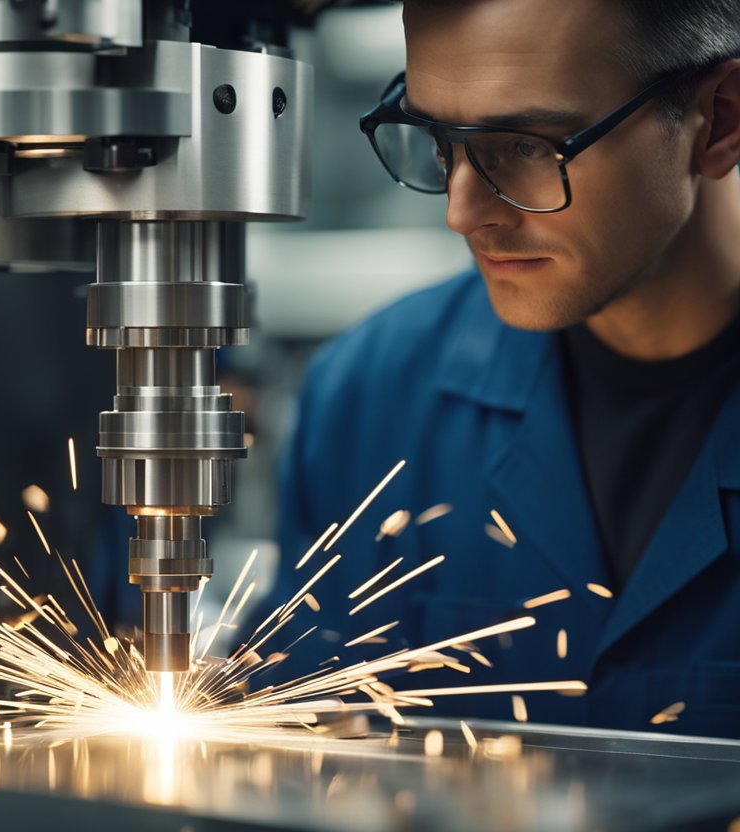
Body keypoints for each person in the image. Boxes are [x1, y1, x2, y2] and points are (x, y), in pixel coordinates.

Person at [262, 0, 740, 738]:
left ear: (720, 118)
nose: (462, 210)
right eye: (436, 138)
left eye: (526, 145)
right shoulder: (371, 396)